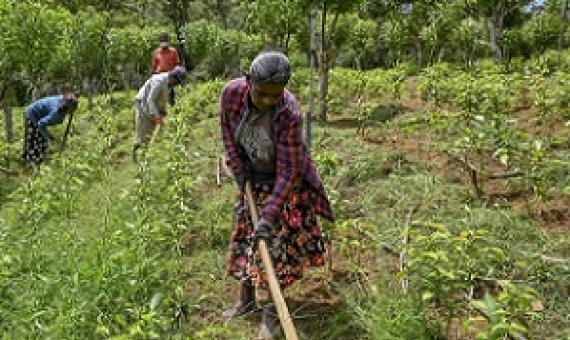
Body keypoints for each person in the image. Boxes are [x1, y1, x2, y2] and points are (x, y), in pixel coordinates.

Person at [220, 51, 333, 339]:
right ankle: (245, 301)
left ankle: (272, 315)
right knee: (246, 236)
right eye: (262, 95)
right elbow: (228, 134)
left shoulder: (290, 112)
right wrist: (238, 167)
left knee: (273, 245)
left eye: (275, 95)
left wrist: (269, 216)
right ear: (248, 82)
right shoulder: (232, 94)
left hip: (284, 182)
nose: (269, 101)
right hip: (251, 174)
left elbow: (287, 171)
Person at [133, 65, 187, 157]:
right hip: (142, 103)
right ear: (173, 76)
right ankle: (137, 157)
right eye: (177, 81)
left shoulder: (169, 83)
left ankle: (147, 156)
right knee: (143, 132)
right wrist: (157, 116)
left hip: (152, 105)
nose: (177, 84)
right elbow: (150, 99)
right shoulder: (159, 81)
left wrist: (162, 110)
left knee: (151, 133)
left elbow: (162, 97)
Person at [21, 90, 78, 164]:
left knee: (41, 140)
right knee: (34, 140)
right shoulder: (56, 114)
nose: (73, 112)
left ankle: (36, 160)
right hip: (32, 114)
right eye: (72, 110)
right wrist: (50, 137)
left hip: (38, 114)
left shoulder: (66, 100)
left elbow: (71, 100)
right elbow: (40, 125)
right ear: (67, 108)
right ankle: (32, 163)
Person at [152, 32, 181, 105]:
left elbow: (177, 64)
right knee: (160, 94)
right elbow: (154, 66)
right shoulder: (156, 52)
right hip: (159, 76)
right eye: (162, 41)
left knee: (170, 93)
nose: (163, 43)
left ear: (168, 42)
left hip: (169, 75)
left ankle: (171, 106)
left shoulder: (173, 51)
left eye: (165, 41)